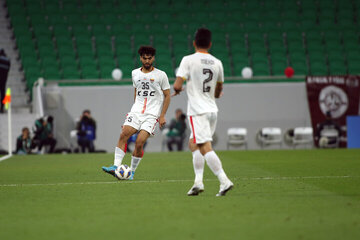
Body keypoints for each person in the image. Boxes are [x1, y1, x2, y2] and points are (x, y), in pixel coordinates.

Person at [173, 28, 233, 196]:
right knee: (193, 143)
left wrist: (178, 89)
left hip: (197, 111)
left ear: (194, 43)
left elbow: (177, 85)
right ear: (210, 44)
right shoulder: (217, 62)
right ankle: (198, 182)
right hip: (212, 110)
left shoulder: (188, 60)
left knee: (204, 146)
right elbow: (219, 89)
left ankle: (224, 180)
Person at [102, 45, 171, 180]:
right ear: (140, 58)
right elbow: (136, 90)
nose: (147, 61)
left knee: (139, 142)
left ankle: (131, 172)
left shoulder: (161, 75)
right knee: (124, 134)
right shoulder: (135, 73)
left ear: (153, 58)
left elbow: (167, 95)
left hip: (151, 115)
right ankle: (116, 166)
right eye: (144, 58)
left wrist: (162, 115)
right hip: (136, 112)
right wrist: (134, 108)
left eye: (149, 58)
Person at [0, 48, 11, 113]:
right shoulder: (8, 60)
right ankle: (2, 107)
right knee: (3, 93)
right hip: (4, 80)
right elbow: (8, 69)